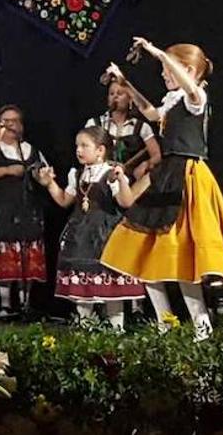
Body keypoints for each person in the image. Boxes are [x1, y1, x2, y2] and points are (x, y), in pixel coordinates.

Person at [100, 38, 223, 339]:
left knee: (182, 256)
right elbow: (153, 114)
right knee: (147, 256)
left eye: (169, 69)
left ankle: (201, 328)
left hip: (188, 176)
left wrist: (157, 53)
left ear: (189, 70)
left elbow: (188, 87)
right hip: (167, 174)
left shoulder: (196, 97)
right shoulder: (172, 101)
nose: (163, 74)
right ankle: (165, 323)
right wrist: (126, 83)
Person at [35, 126, 145, 329]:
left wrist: (121, 179)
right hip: (80, 235)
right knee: (82, 287)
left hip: (105, 234)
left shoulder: (111, 173)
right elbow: (64, 201)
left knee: (111, 287)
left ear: (100, 150)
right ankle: (86, 330)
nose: (79, 150)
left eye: (84, 146)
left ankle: (116, 331)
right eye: (77, 146)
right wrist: (49, 183)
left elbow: (126, 202)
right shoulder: (76, 174)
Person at [0, 104, 49, 317]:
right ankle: (5, 304)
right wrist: (7, 170)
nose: (9, 126)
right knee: (5, 254)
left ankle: (26, 302)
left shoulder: (30, 150)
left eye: (14, 121)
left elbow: (43, 173)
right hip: (1, 210)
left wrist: (41, 178)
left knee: (27, 251)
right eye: (5, 121)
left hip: (28, 210)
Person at [87, 79, 161, 170]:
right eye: (111, 93)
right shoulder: (94, 124)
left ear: (130, 100)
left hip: (130, 180)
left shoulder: (142, 127)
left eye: (120, 93)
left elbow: (157, 155)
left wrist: (146, 164)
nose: (115, 96)